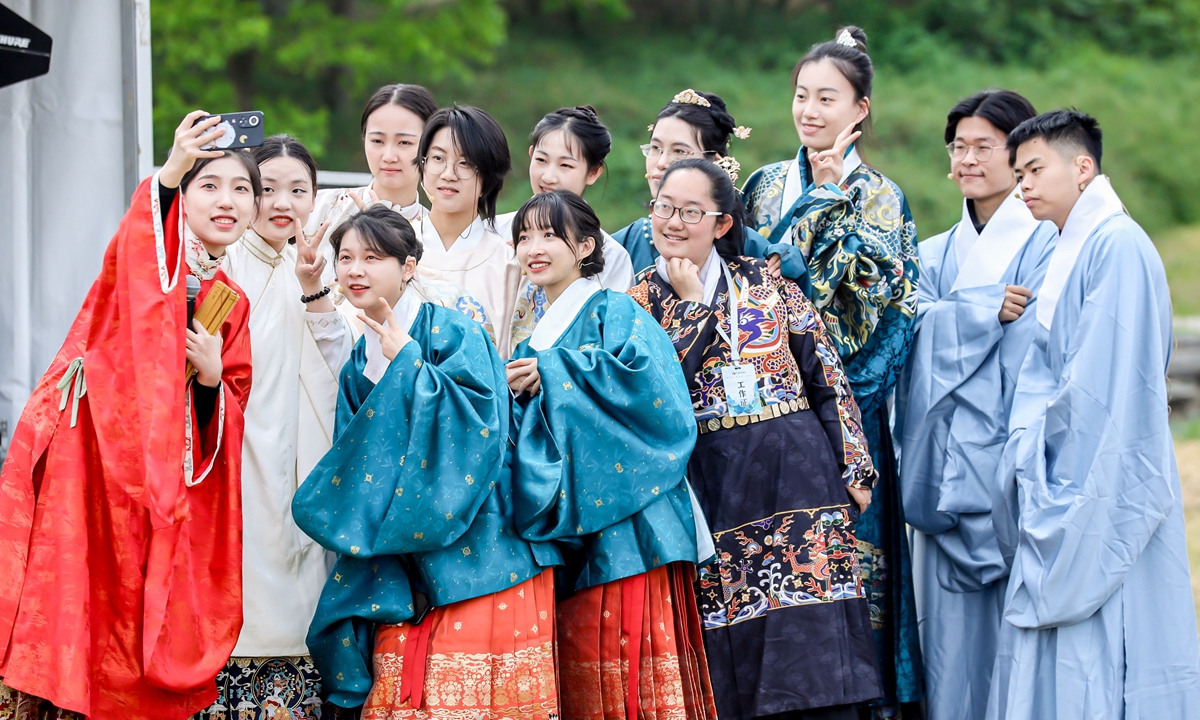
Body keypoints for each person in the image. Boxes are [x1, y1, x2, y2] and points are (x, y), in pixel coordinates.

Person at [0, 111, 256, 719]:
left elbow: (234, 400)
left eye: (241, 188)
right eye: (209, 185)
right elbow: (138, 254)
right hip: (95, 460)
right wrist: (169, 170)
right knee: (82, 600)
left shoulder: (230, 298)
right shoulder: (151, 259)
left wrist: (212, 379)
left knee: (140, 607)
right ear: (183, 196)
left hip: (168, 483)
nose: (227, 201)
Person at [628, 159, 882, 720]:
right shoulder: (641, 300)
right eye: (664, 207)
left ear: (721, 223)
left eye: (691, 211)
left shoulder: (767, 281)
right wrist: (691, 308)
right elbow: (653, 390)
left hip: (796, 472)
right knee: (733, 630)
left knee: (815, 634)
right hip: (712, 479)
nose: (672, 221)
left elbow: (825, 373)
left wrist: (854, 465)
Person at [291, 206, 557, 718]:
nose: (355, 270)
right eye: (345, 258)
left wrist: (411, 361)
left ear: (409, 267)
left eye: (372, 258)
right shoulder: (357, 363)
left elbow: (485, 427)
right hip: (398, 552)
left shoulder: (455, 331)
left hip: (481, 543)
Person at [985, 110, 1200, 720]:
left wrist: (1030, 444)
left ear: (1083, 168)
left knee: (1112, 638)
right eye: (1018, 171)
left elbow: (1104, 393)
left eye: (1034, 168)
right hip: (1063, 468)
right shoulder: (1075, 244)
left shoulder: (1116, 245)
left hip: (1095, 483)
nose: (1021, 184)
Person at [741, 28, 923, 714]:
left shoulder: (880, 197)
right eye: (801, 95)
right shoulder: (762, 186)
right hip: (761, 411)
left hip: (847, 417)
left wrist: (844, 406)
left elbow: (896, 313)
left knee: (851, 571)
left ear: (861, 110)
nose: (809, 111)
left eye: (827, 98)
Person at [507, 190, 717, 720]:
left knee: (630, 661)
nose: (534, 247)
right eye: (523, 236)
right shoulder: (534, 334)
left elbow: (654, 391)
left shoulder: (614, 308)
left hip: (631, 518)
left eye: (550, 235)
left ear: (584, 246)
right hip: (574, 518)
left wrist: (555, 373)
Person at [893, 90, 1056, 720]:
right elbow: (907, 330)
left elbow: (1042, 349)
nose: (966, 159)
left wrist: (952, 316)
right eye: (957, 146)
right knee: (949, 640)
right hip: (941, 459)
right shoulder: (932, 253)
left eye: (983, 146)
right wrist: (981, 310)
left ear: (1020, 154)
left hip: (1010, 457)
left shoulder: (1046, 241)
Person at [195, 135, 352, 719]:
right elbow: (198, 354)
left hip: (307, 460)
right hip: (236, 457)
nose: (282, 202)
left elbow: (344, 368)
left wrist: (316, 289)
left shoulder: (320, 267)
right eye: (266, 189)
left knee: (305, 583)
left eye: (299, 189)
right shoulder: (225, 265)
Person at [496, 106, 637, 346]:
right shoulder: (496, 231)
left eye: (565, 166)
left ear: (593, 172)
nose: (548, 177)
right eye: (541, 160)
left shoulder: (612, 256)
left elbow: (613, 343)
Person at [611, 89, 785, 280]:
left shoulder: (752, 248)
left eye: (679, 151)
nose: (661, 163)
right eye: (655, 148)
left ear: (714, 163)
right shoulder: (624, 244)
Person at [413, 105, 522, 355]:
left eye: (466, 163)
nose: (448, 174)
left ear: (488, 177)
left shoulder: (510, 266)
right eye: (438, 158)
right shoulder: (390, 249)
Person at [307, 83, 439, 240]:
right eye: (377, 141)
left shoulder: (435, 236)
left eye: (404, 142)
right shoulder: (317, 209)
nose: (388, 157)